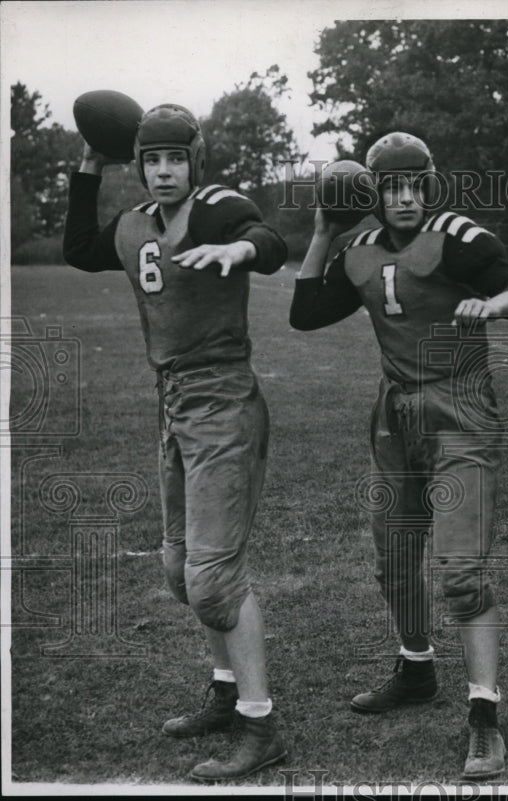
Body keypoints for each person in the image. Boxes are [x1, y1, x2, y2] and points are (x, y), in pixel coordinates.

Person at [289, 132, 508, 779]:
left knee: (459, 570)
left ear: (429, 184)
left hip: (460, 410)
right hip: (396, 414)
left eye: (412, 184)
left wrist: (495, 303)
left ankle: (485, 716)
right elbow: (305, 312)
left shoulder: (457, 236)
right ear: (373, 192)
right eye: (390, 186)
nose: (403, 197)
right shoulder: (361, 249)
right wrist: (322, 230)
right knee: (394, 556)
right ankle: (415, 666)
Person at [62, 104, 288, 781]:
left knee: (214, 577)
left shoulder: (215, 206)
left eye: (175, 158)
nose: (164, 171)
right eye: (152, 159)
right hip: (173, 403)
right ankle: (225, 690)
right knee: (178, 567)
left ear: (196, 160)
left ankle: (261, 724)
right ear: (140, 164)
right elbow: (78, 249)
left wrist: (240, 248)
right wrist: (89, 164)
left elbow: (264, 237)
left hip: (222, 401)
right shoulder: (134, 224)